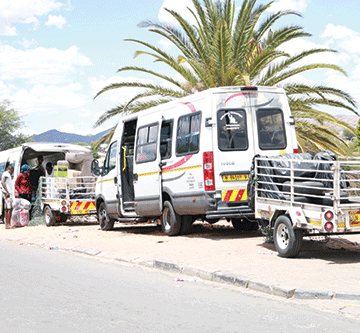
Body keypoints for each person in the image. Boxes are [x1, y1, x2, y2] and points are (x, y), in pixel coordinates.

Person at [1, 165, 14, 229]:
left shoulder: (6, 174)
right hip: (7, 194)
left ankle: (7, 224)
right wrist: (7, 192)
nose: (12, 173)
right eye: (12, 171)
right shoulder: (6, 174)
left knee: (7, 209)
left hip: (7, 193)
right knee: (9, 209)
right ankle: (8, 224)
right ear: (10, 169)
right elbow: (2, 182)